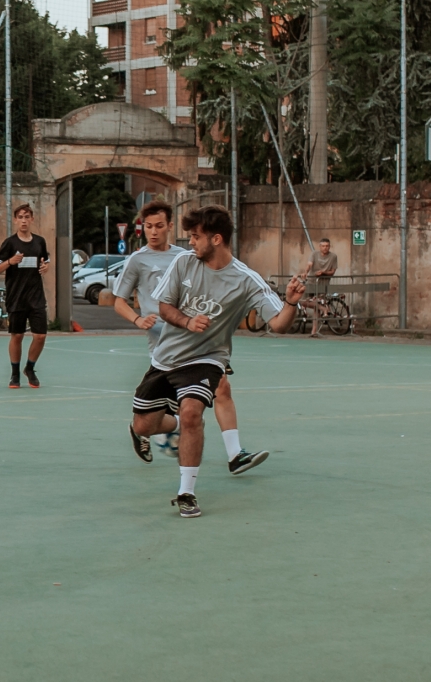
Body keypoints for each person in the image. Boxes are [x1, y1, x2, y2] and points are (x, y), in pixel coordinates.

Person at [128, 205, 304, 518]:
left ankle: (186, 492)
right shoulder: (184, 262)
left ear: (217, 239)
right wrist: (187, 321)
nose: (191, 242)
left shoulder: (246, 280)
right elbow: (165, 307)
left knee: (192, 412)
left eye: (196, 236)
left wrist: (290, 302)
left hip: (207, 358)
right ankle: (171, 425)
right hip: (166, 357)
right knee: (144, 425)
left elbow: (278, 324)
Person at [113, 200, 270, 476]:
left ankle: (234, 454)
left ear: (170, 226)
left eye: (159, 226)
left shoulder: (188, 255)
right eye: (148, 226)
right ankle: (157, 429)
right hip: (165, 342)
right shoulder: (137, 259)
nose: (153, 231)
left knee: (221, 388)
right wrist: (138, 319)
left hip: (202, 341)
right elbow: (119, 301)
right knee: (164, 415)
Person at [0, 203, 50, 389]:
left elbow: (45, 261)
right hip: (16, 297)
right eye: (20, 217)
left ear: (32, 219)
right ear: (15, 220)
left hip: (36, 297)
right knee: (17, 336)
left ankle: (30, 368)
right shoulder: (10, 243)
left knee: (40, 336)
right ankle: (15, 373)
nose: (24, 221)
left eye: (27, 217)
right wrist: (10, 261)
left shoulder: (40, 242)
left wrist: (45, 267)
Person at [300, 238, 340, 338]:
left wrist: (323, 272)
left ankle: (314, 331)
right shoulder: (314, 254)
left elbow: (332, 271)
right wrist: (305, 272)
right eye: (323, 246)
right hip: (311, 282)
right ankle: (324, 309)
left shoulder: (333, 256)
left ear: (329, 247)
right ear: (320, 246)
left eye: (327, 246)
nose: (325, 248)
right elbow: (309, 264)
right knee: (302, 301)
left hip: (323, 284)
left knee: (316, 307)